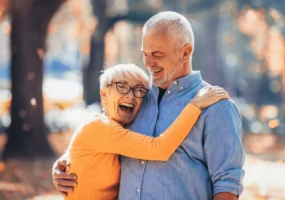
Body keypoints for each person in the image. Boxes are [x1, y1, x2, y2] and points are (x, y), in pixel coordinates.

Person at [53, 11, 245, 200]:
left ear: (185, 52)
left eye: (157, 54)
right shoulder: (135, 101)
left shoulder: (216, 106)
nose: (147, 63)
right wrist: (65, 165)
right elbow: (103, 136)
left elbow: (226, 184)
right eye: (144, 53)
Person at [59, 63, 228, 199]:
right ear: (104, 94)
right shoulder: (98, 126)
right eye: (122, 86)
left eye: (139, 90)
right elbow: (159, 149)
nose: (131, 95)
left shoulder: (120, 129)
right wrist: (195, 104)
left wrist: (62, 164)